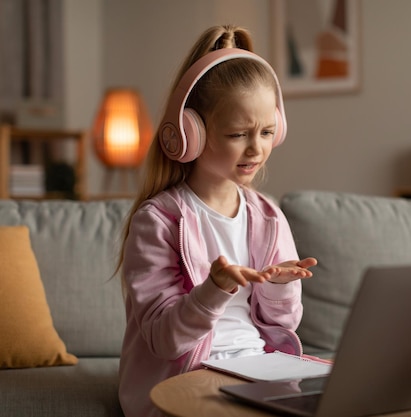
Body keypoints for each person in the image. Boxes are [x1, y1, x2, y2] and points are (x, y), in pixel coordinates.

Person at [116, 24, 317, 417]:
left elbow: (285, 322)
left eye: (267, 132)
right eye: (239, 133)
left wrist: (279, 287)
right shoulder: (157, 222)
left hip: (258, 368)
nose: (256, 148)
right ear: (190, 132)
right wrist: (214, 289)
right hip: (183, 378)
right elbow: (165, 339)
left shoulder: (268, 216)